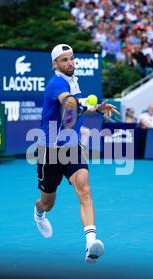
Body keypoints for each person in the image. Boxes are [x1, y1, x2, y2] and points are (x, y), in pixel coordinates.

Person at [33, 44, 119, 263]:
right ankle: (39, 212)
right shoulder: (56, 84)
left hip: (72, 147)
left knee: (85, 190)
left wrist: (97, 106)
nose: (70, 63)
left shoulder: (74, 81)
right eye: (64, 60)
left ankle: (91, 244)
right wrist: (81, 103)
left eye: (71, 58)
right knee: (48, 203)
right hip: (50, 151)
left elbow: (78, 106)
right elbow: (68, 102)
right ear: (55, 64)